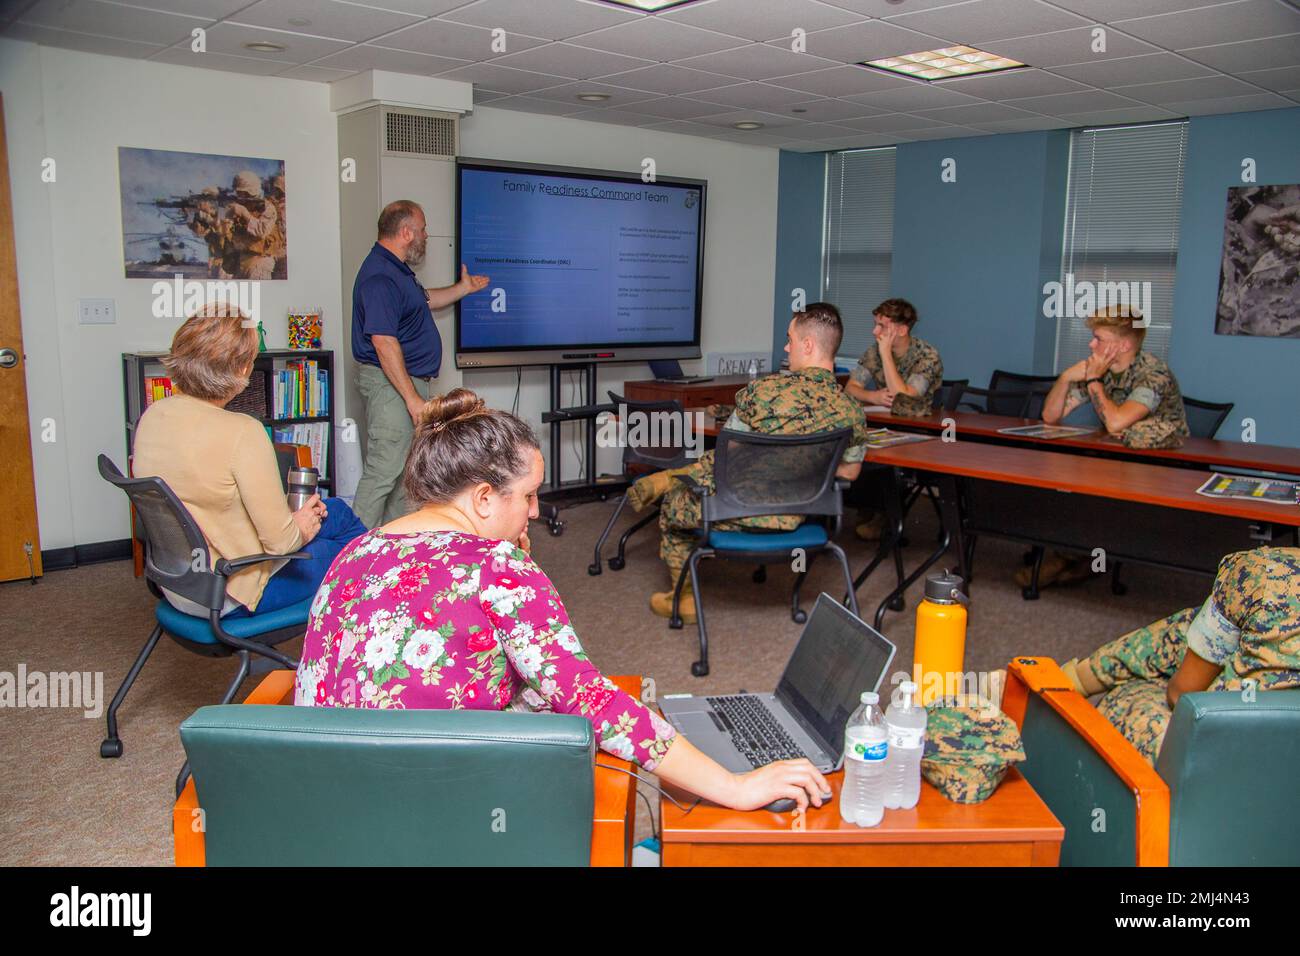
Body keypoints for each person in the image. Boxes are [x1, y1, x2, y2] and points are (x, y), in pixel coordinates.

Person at [294, 389, 832, 813]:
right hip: (439, 804)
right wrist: (733, 785)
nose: (534, 512)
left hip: (328, 799)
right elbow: (588, 701)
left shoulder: (356, 550)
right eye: (528, 496)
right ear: (484, 498)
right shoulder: (496, 568)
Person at [626, 303, 869, 623]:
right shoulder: (852, 411)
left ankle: (683, 598)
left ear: (808, 345)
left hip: (737, 510)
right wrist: (806, 461)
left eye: (790, 339)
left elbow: (729, 457)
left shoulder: (762, 390)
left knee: (673, 505)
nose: (786, 347)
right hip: (793, 518)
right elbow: (850, 472)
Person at [133, 304, 367, 618]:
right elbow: (281, 543)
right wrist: (299, 527)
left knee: (336, 511)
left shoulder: (153, 416)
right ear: (243, 370)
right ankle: (363, 627)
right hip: (230, 592)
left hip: (176, 583)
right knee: (353, 549)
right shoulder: (243, 431)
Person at [1061, 546, 1300, 764]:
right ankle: (1081, 676)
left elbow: (1182, 694)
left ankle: (1075, 680)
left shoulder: (1266, 571)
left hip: (1228, 761)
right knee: (1203, 623)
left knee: (1128, 698)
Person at [350, 199, 490, 529]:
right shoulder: (380, 277)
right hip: (391, 387)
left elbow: (427, 301)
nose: (427, 236)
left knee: (404, 477)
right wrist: (413, 400)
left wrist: (463, 289)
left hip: (403, 384)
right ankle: (349, 559)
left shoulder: (398, 271)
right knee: (384, 471)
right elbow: (383, 342)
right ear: (407, 232)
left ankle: (392, 552)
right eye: (424, 229)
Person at [1031, 305, 1191, 588]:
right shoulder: (1104, 370)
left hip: (1161, 466)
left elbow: (1116, 422)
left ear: (1125, 344)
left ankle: (1077, 556)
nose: (1092, 345)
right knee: (1065, 481)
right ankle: (1070, 552)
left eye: (1099, 338)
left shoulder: (1154, 373)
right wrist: (1066, 377)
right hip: (1118, 457)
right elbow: (1050, 416)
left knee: (1089, 494)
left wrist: (1093, 380)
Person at [843, 298, 943, 541]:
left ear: (901, 330)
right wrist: (872, 395)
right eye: (875, 324)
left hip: (919, 431)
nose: (875, 331)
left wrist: (886, 354)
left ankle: (885, 517)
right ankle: (871, 509)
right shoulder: (873, 351)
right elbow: (850, 388)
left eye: (882, 326)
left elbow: (904, 394)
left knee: (888, 462)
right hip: (885, 424)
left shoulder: (926, 355)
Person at [224, 170, 278, 281]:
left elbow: (262, 231)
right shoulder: (242, 207)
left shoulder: (268, 208)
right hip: (241, 261)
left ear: (250, 192)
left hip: (260, 262)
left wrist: (244, 213)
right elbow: (226, 232)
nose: (238, 195)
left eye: (241, 192)